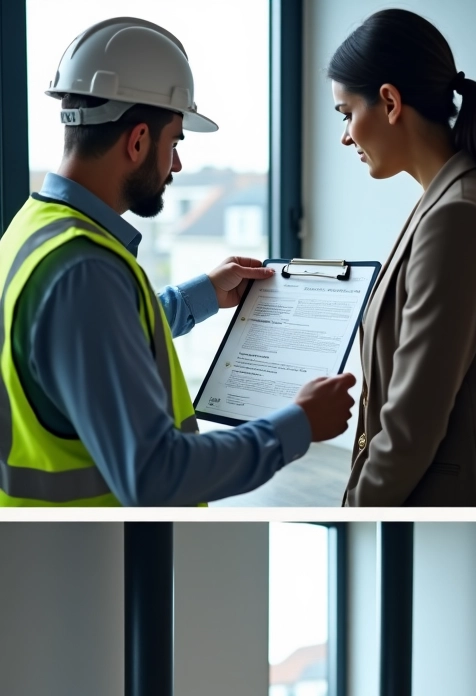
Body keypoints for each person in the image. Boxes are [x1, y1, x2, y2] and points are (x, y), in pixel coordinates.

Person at [0, 17, 355, 507]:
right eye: (175, 143)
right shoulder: (84, 269)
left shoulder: (34, 228)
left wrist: (199, 296)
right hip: (96, 547)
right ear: (137, 141)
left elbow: (89, 348)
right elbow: (156, 473)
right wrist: (299, 424)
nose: (178, 165)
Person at [328, 10, 476, 507]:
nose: (345, 135)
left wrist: (355, 512)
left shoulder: (457, 215)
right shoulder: (447, 199)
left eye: (345, 113)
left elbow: (412, 424)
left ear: (389, 102)